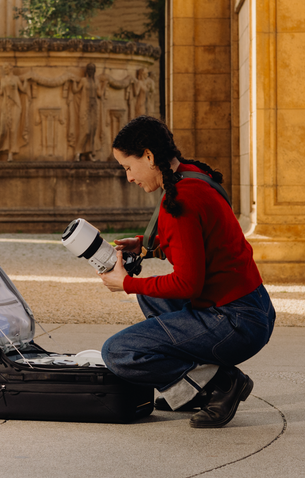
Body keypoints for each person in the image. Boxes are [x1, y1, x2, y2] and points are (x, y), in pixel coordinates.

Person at [100, 115, 275, 428]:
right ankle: (196, 388)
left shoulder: (181, 199)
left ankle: (222, 383)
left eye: (128, 167)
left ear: (149, 156)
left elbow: (187, 284)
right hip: (253, 309)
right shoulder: (193, 176)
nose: (128, 177)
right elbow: (198, 240)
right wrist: (144, 246)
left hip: (235, 322)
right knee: (153, 300)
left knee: (118, 352)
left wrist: (126, 283)